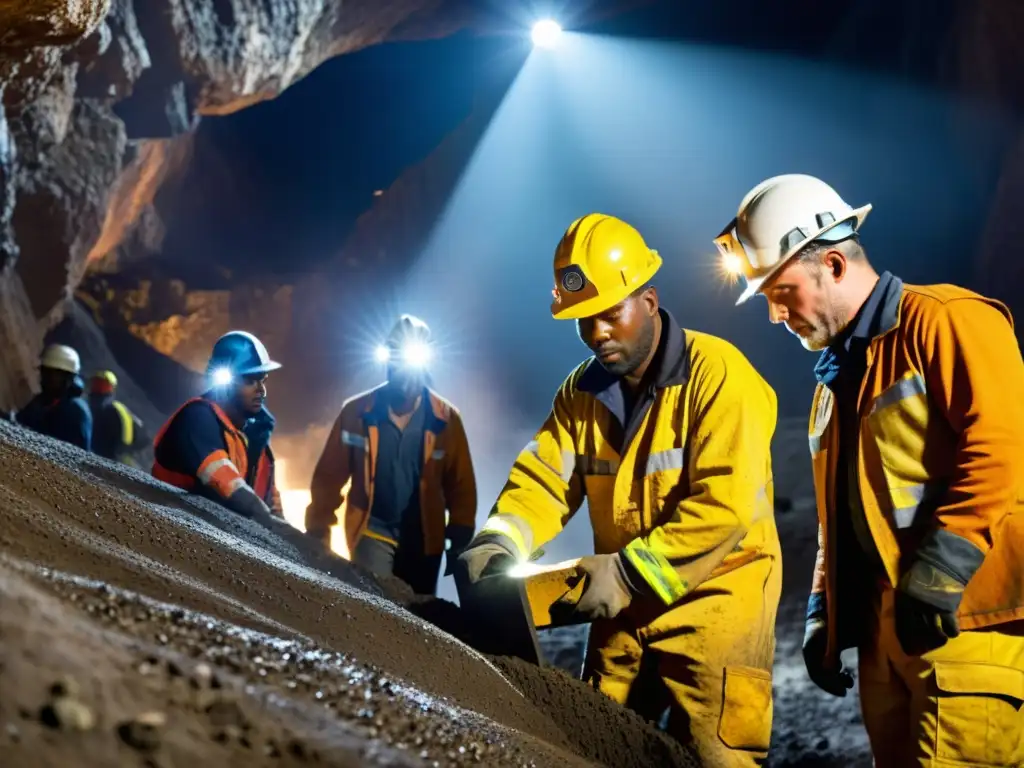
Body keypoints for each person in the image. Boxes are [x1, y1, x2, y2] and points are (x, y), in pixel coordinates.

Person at [716, 173, 1024, 767]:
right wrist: (822, 612)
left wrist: (943, 567)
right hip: (889, 635)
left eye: (781, 293)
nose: (777, 316)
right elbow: (840, 517)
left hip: (967, 620)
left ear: (832, 263)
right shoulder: (833, 386)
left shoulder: (946, 321)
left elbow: (1003, 446)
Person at [456, 214, 782, 764]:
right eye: (584, 320)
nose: (597, 332)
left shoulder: (720, 376)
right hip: (623, 617)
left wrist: (627, 573)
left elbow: (723, 508)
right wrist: (499, 540)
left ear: (649, 301)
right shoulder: (581, 394)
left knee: (713, 758)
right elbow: (544, 479)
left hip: (715, 610)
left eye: (610, 313)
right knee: (602, 747)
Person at [305, 314, 477, 596]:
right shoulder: (357, 413)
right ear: (386, 361)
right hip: (371, 532)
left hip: (423, 541)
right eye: (395, 361)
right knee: (376, 606)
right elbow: (329, 475)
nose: (402, 374)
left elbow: (461, 483)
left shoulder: (445, 420)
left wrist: (459, 532)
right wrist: (319, 527)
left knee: (419, 616)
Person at [152, 331, 283, 519]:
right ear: (226, 382)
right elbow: (228, 485)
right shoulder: (197, 419)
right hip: (168, 528)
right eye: (250, 381)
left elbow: (273, 508)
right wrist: (267, 521)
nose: (261, 390)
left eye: (263, 381)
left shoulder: (257, 440)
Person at [16, 343, 92, 451]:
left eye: (55, 375)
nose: (49, 379)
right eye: (46, 373)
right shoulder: (42, 401)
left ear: (69, 378)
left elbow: (77, 454)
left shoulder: (75, 410)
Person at [88, 370, 144, 466]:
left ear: (111, 388)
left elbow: (141, 436)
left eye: (103, 385)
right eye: (97, 384)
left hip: (115, 459)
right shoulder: (90, 406)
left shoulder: (116, 410)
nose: (99, 388)